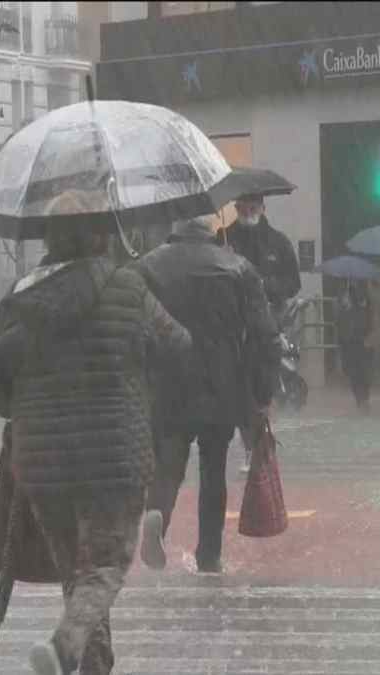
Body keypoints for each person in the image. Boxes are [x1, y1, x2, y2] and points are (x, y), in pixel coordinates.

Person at [0, 200, 192, 675]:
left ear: (50, 236)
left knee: (78, 578)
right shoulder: (126, 286)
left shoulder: (22, 295)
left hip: (42, 464)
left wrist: (21, 409)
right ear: (101, 234)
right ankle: (64, 648)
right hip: (112, 458)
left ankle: (96, 665)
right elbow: (178, 345)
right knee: (105, 566)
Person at [133, 214, 281, 575]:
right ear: (211, 232)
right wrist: (261, 393)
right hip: (221, 383)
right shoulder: (237, 266)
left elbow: (132, 328)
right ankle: (209, 554)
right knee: (213, 468)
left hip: (167, 382)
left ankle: (157, 514)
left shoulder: (148, 266)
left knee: (169, 460)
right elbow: (265, 335)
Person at [224, 193, 300, 471]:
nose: (247, 212)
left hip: (268, 326)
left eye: (253, 207)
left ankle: (262, 445)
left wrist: (265, 285)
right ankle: (251, 448)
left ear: (263, 208)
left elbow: (294, 283)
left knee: (264, 389)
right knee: (243, 390)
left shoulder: (278, 242)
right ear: (235, 208)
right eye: (242, 207)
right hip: (235, 328)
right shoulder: (224, 239)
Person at [336, 278, 377, 412]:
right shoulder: (343, 293)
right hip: (348, 339)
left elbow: (371, 314)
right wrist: (344, 307)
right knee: (352, 371)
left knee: (364, 370)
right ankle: (360, 399)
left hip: (363, 337)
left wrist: (371, 333)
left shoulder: (365, 294)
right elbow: (338, 316)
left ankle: (364, 399)